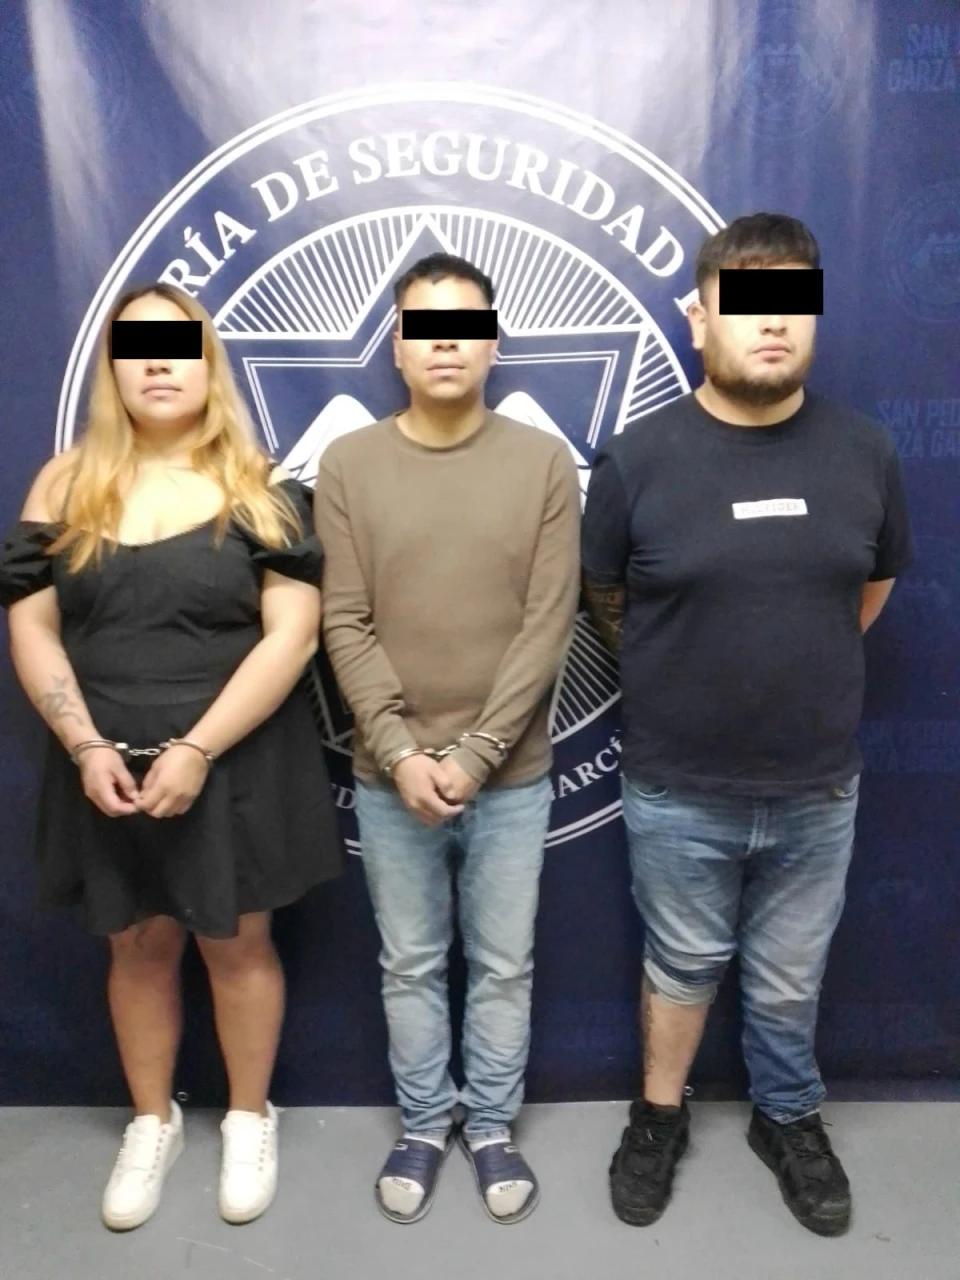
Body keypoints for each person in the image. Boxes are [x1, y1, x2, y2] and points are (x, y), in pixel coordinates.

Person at [581, 213, 914, 1237]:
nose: (773, 323)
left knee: (788, 974)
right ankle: (659, 1114)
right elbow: (607, 596)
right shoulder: (637, 458)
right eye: (748, 302)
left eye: (792, 302)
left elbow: (868, 590)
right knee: (680, 964)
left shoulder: (866, 451)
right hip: (679, 785)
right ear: (700, 318)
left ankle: (788, 1115)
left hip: (818, 785)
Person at [0, 283, 344, 1231]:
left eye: (178, 345)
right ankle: (152, 1122)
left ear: (208, 364)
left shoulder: (260, 486)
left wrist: (197, 748)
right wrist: (82, 743)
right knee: (138, 944)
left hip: (234, 762)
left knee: (239, 945)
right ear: (112, 367)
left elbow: (293, 636)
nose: (158, 362)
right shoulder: (61, 485)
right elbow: (31, 628)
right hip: (101, 765)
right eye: (136, 346)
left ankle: (248, 1117)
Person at [314, 253, 580, 1224]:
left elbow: (548, 622)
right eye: (424, 326)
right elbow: (343, 619)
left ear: (493, 342)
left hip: (512, 777)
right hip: (388, 778)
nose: (444, 343)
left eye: (464, 325)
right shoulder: (348, 465)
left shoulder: (542, 463)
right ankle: (426, 1122)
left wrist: (474, 756)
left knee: (504, 965)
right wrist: (398, 751)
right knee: (411, 963)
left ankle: (493, 1122)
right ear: (396, 344)